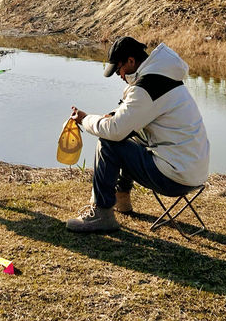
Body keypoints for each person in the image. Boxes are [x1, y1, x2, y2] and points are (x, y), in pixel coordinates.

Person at [66, 36, 210, 232]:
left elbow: (115, 132)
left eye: (119, 70)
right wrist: (114, 116)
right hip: (194, 172)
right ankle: (121, 199)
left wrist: (85, 119)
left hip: (175, 178)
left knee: (109, 143)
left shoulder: (146, 87)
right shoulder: (165, 77)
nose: (120, 75)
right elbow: (136, 116)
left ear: (131, 61)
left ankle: (101, 214)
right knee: (128, 136)